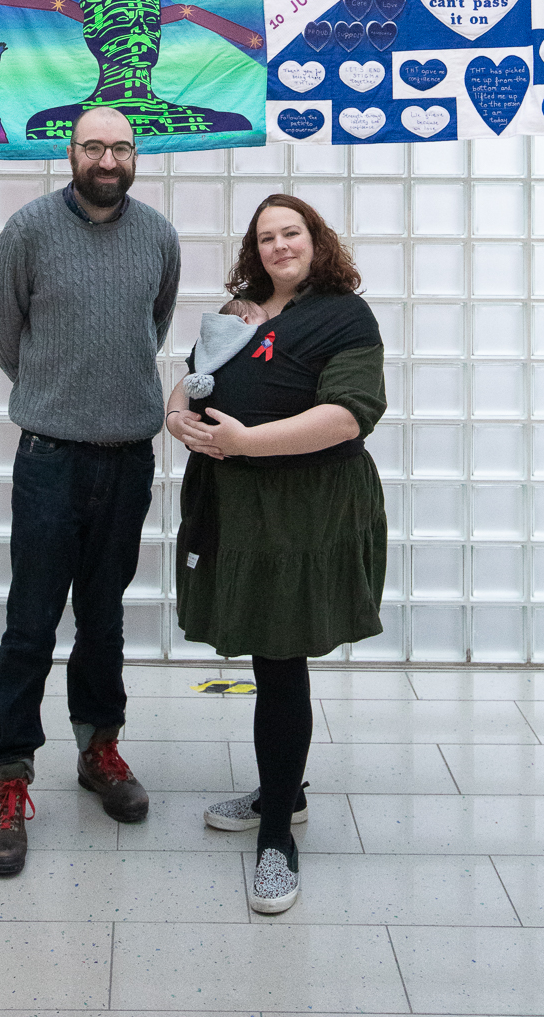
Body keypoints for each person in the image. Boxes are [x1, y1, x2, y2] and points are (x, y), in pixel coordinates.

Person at [0, 104, 181, 880]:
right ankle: (7, 777)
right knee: (31, 621)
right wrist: (55, 394)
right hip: (50, 459)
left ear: (135, 156)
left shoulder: (158, 235)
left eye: (120, 146)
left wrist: (107, 390)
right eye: (92, 145)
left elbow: (149, 328)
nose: (106, 158)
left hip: (128, 458)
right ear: (70, 151)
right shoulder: (29, 230)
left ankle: (99, 750)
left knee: (103, 618)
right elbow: (2, 328)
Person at [165, 194, 386, 915]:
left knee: (280, 655)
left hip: (304, 510)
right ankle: (281, 791)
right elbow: (193, 378)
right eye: (265, 237)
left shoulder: (345, 314)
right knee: (265, 647)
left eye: (291, 233)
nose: (278, 246)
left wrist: (245, 441)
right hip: (235, 506)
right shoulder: (240, 310)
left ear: (315, 240)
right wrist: (177, 416)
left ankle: (275, 838)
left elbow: (348, 415)